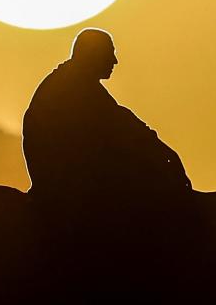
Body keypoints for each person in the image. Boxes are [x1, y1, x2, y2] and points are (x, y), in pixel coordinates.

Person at [22, 28, 191, 205]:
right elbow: (123, 126)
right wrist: (165, 156)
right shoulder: (75, 88)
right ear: (93, 55)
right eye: (110, 53)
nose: (115, 61)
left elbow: (124, 121)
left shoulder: (75, 82)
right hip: (69, 187)